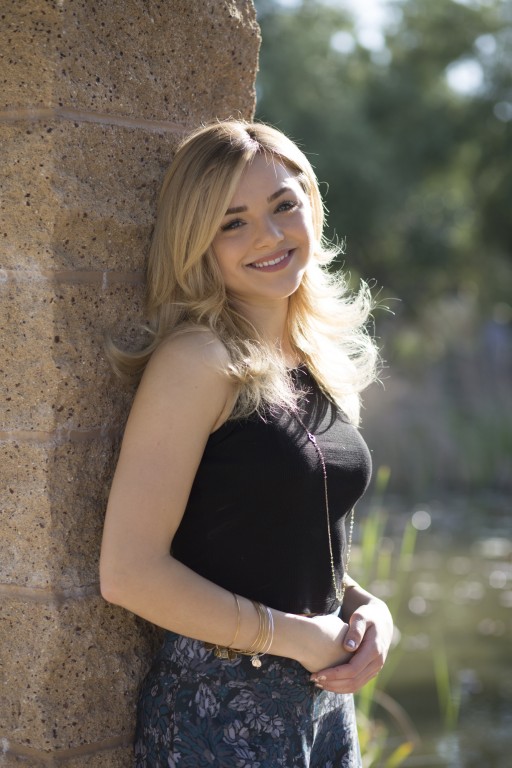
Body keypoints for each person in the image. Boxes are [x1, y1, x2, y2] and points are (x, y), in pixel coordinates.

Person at [99, 120, 393, 768]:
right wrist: (293, 638)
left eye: (284, 205)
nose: (269, 234)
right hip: (221, 713)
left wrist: (366, 609)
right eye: (233, 222)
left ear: (310, 207)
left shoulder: (311, 361)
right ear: (198, 242)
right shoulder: (197, 360)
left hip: (322, 704)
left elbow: (271, 539)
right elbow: (127, 572)